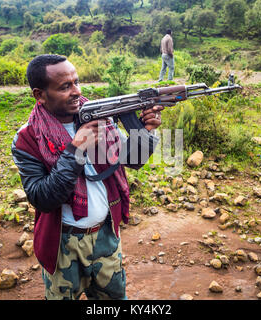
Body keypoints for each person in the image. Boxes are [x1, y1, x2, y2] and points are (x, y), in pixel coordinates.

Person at [11, 54, 163, 300]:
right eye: (65, 86)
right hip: (61, 245)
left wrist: (146, 131)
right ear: (40, 95)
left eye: (76, 82)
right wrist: (76, 149)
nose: (76, 91)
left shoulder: (97, 117)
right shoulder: (27, 139)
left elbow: (133, 160)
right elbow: (43, 198)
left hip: (105, 236)